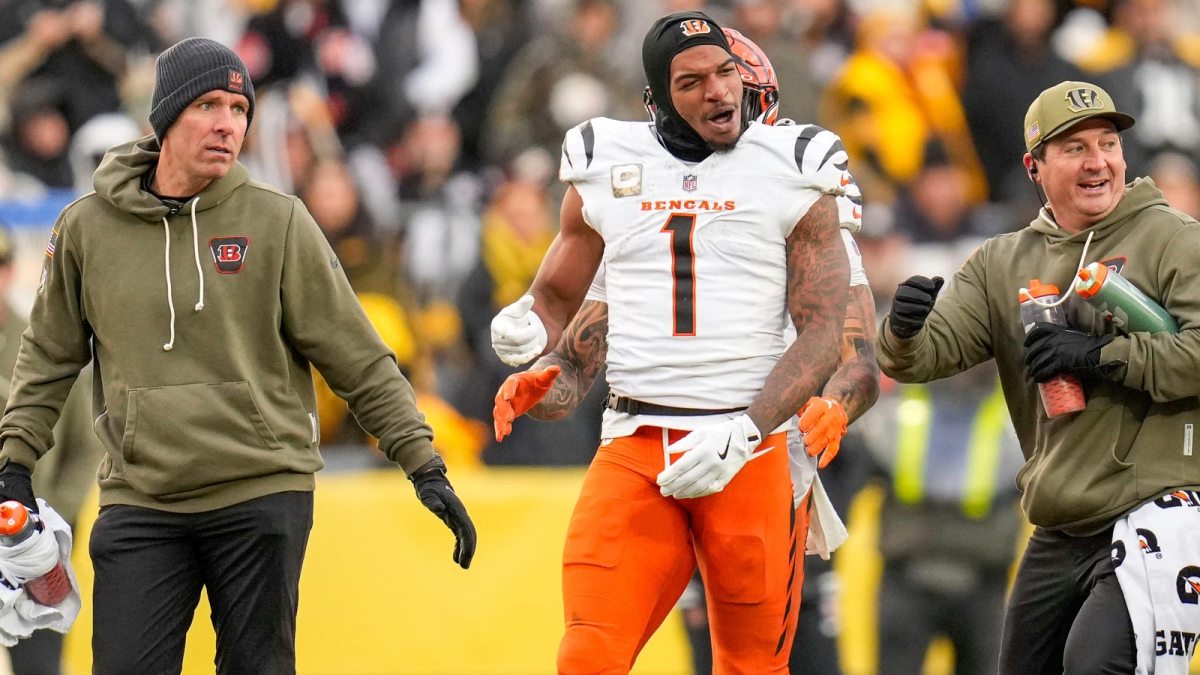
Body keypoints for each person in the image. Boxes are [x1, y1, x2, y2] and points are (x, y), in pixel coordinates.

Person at [0, 37, 476, 674]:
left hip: (260, 491)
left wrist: (423, 463)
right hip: (141, 499)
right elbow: (46, 357)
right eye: (208, 106)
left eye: (239, 108)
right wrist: (13, 464)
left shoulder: (278, 221)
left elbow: (357, 356)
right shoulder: (85, 228)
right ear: (165, 116)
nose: (229, 124)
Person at [490, 26, 878, 673]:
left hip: (758, 447)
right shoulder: (627, 181)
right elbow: (580, 348)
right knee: (588, 653)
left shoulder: (797, 177)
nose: (730, 100)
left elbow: (849, 348)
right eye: (696, 83)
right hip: (640, 438)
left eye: (737, 83)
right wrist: (544, 376)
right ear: (661, 102)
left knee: (752, 663)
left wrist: (823, 409)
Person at [876, 80, 1200, 674]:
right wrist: (902, 328)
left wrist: (1098, 355)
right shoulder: (1002, 261)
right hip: (1059, 522)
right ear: (1034, 167)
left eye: (1107, 142)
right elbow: (921, 358)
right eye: (1074, 148)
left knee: (1093, 666)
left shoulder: (1175, 238)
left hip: (1159, 510)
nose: (1098, 160)